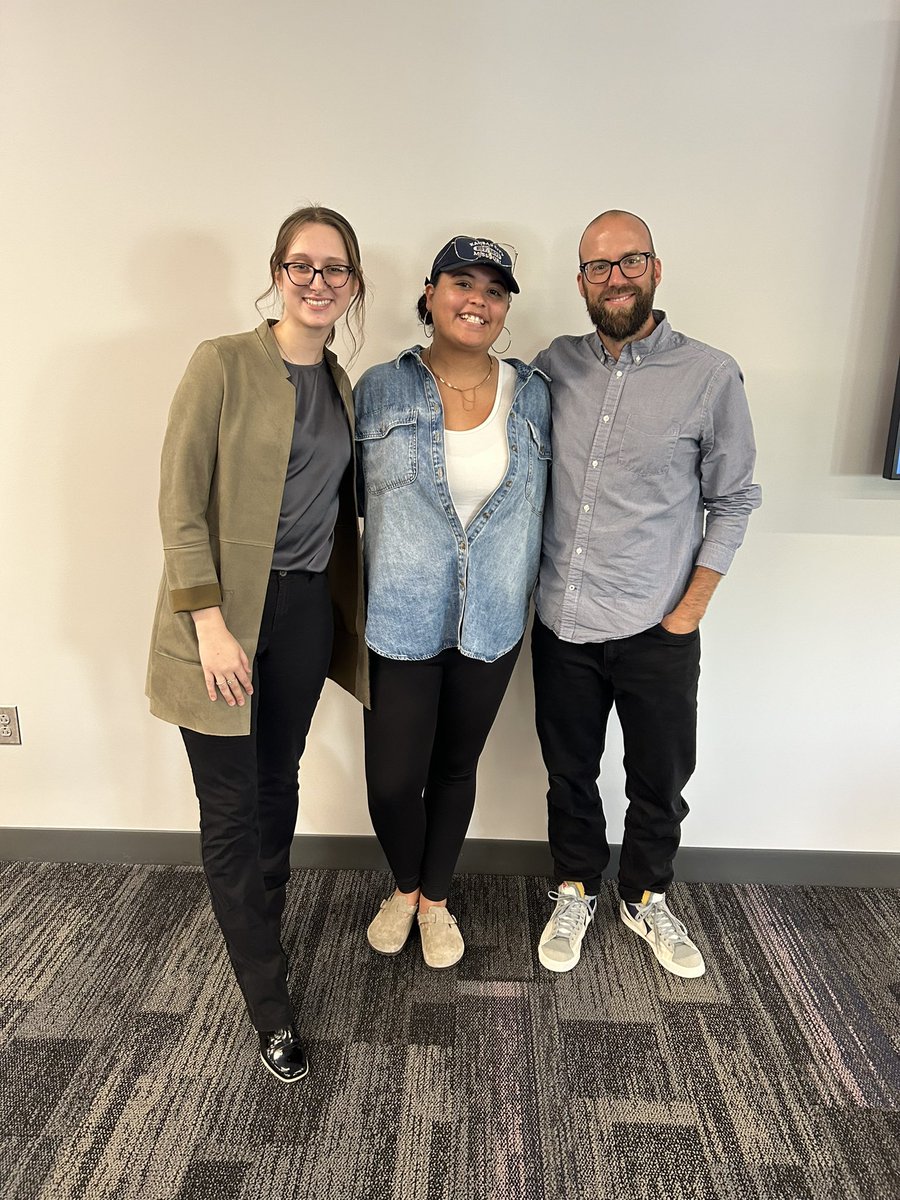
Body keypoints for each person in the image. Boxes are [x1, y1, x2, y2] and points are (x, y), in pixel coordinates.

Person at [146, 205, 368, 1082]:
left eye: (336, 270)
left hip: (307, 616)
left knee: (279, 784)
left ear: (353, 286)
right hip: (223, 623)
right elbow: (179, 502)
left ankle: (255, 928)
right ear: (277, 271)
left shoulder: (341, 384)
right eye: (303, 266)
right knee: (233, 805)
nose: (318, 283)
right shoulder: (223, 363)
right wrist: (209, 626)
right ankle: (269, 1004)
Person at [532, 210, 761, 978]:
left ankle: (645, 897)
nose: (616, 278)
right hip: (561, 620)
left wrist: (688, 610)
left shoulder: (709, 375)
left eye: (630, 261)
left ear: (656, 269)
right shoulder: (550, 367)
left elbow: (732, 500)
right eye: (599, 267)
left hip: (657, 627)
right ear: (581, 282)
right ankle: (574, 887)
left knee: (660, 780)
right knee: (570, 771)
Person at [354, 237, 551, 968]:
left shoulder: (533, 394)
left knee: (455, 767)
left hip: (493, 617)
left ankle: (434, 900)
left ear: (505, 309)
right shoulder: (379, 389)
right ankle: (402, 887)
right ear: (431, 293)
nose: (478, 300)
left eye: (495, 291)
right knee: (394, 779)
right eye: (462, 283)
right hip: (401, 615)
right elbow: (342, 505)